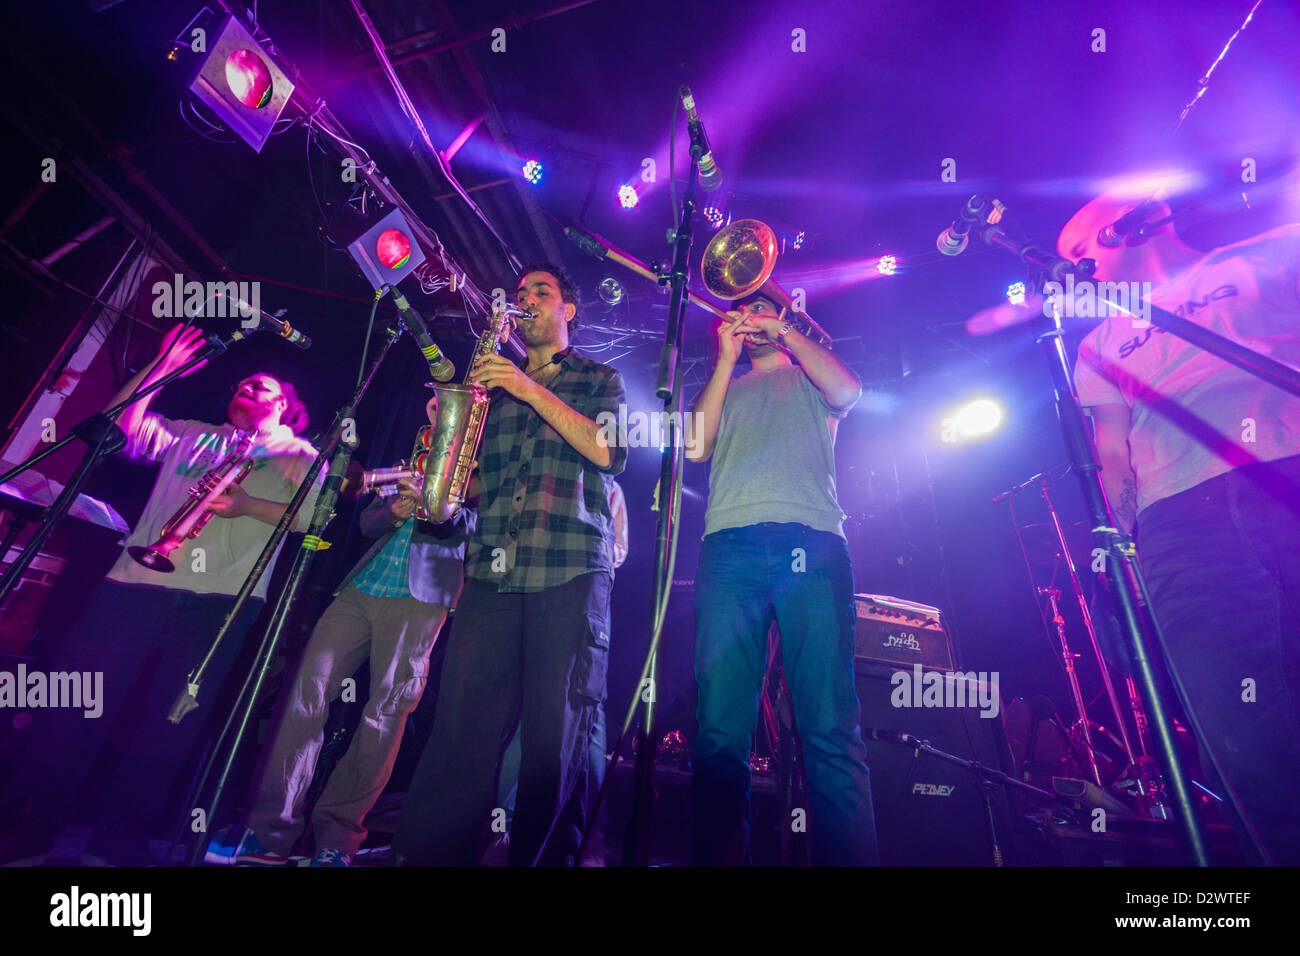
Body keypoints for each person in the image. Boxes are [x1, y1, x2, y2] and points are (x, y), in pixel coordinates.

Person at [1, 322, 320, 865]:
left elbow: (314, 518)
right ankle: (29, 826)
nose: (247, 388)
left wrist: (245, 505)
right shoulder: (190, 432)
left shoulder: (299, 453)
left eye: (262, 386)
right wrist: (161, 369)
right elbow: (116, 428)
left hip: (221, 605)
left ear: (287, 407)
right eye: (241, 383)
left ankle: (119, 843)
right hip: (132, 586)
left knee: (169, 730)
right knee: (78, 706)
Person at [1062, 189, 1300, 864]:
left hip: (1287, 473)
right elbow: (1112, 452)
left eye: (1083, 250)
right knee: (1244, 731)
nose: (1084, 269)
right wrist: (1127, 539)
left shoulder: (1268, 254)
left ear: (1126, 227)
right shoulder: (1099, 340)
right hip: (1181, 526)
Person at [393, 263, 627, 866]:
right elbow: (479, 486)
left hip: (570, 569)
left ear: (567, 311)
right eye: (520, 293)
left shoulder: (600, 377)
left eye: (541, 292)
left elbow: (610, 450)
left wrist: (528, 389)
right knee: (459, 734)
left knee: (554, 741)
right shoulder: (489, 387)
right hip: (493, 571)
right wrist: (438, 482)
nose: (526, 300)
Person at [685, 294, 877, 866]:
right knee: (720, 731)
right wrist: (723, 360)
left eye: (762, 308)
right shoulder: (728, 384)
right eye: (741, 312)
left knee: (827, 725)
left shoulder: (810, 376)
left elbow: (849, 391)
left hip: (810, 543)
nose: (752, 318)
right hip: (729, 547)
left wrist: (785, 330)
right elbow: (695, 445)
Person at [231, 472, 472, 867]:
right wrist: (393, 513)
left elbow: (479, 531)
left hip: (422, 595)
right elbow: (366, 523)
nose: (438, 408)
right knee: (303, 695)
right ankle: (269, 831)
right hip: (363, 586)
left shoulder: (476, 471)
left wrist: (442, 507)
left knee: (385, 714)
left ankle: (337, 839)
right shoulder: (416, 458)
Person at [491, 479, 627, 865]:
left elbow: (618, 551)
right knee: (537, 717)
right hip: (538, 597)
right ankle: (509, 829)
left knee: (587, 716)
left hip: (584, 600)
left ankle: (585, 837)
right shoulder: (540, 481)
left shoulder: (610, 489)